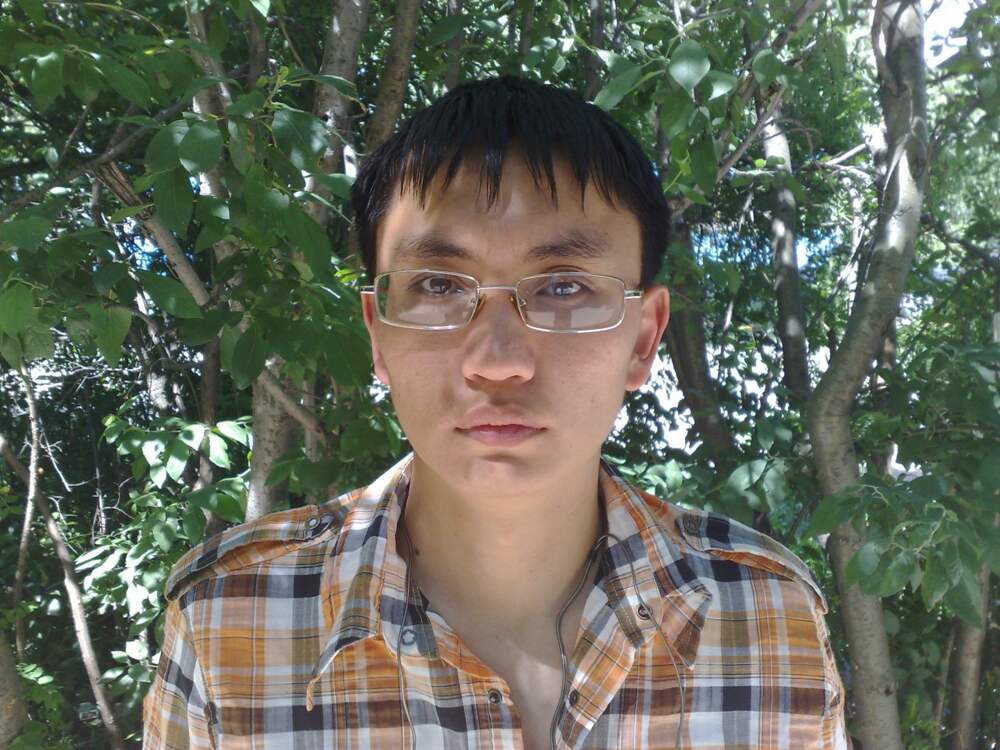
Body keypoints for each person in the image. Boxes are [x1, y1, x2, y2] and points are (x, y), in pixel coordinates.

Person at [143, 75, 850, 750]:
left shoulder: (769, 623)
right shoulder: (228, 622)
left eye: (565, 286)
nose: (499, 361)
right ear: (378, 335)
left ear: (642, 340)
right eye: (438, 285)